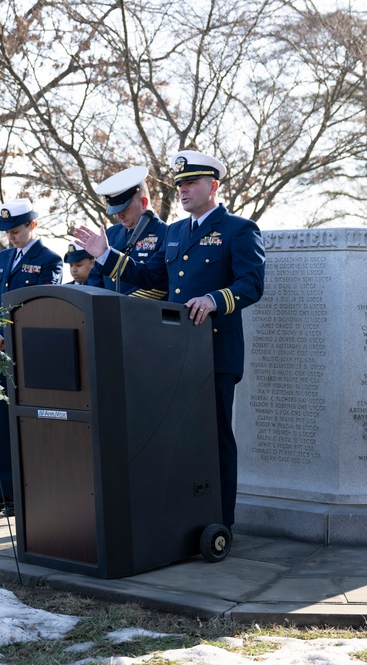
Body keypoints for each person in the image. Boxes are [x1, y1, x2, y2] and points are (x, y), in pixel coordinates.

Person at [73, 150, 266, 528]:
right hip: (176, 352)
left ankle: (220, 521)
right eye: (179, 184)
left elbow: (252, 285)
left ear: (213, 185)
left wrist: (214, 300)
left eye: (191, 182)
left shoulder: (239, 229)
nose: (183, 190)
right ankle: (184, 516)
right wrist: (105, 255)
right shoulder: (176, 232)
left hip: (214, 351)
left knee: (214, 438)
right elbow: (153, 279)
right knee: (176, 438)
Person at [0, 199, 63, 516]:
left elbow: (42, 308)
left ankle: (28, 495)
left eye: (16, 230)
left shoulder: (50, 260)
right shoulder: (3, 258)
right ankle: (4, 492)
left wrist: (6, 337)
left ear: (32, 226)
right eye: (7, 232)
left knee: (27, 426)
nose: (11, 237)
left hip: (26, 356)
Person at [89, 165, 169, 299]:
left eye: (124, 209)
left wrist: (119, 306)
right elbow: (95, 276)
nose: (119, 216)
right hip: (106, 315)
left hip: (143, 313)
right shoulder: (112, 233)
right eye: (116, 211)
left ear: (143, 203)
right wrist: (100, 302)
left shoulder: (167, 234)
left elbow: (158, 283)